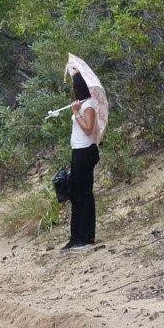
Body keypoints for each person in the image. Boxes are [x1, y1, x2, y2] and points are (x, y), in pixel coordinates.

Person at [63, 72, 99, 250]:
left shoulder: (89, 105)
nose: (73, 89)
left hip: (86, 152)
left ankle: (86, 237)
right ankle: (75, 236)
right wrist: (76, 110)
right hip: (77, 152)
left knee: (84, 194)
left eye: (75, 86)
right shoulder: (82, 103)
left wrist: (76, 113)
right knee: (75, 195)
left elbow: (89, 129)